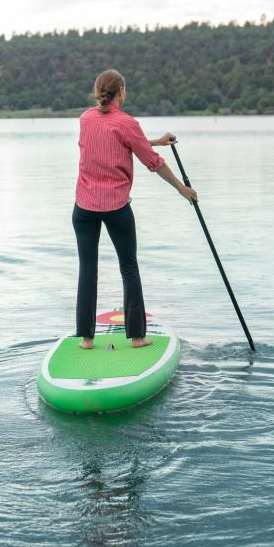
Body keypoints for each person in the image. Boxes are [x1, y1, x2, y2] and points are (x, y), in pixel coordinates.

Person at [73, 69, 197, 349]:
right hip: (116, 207)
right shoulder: (127, 123)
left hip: (83, 207)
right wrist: (182, 189)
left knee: (87, 268)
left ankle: (86, 340)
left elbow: (116, 139)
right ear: (122, 92)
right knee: (129, 267)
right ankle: (138, 337)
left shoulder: (84, 119)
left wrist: (155, 140)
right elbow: (152, 162)